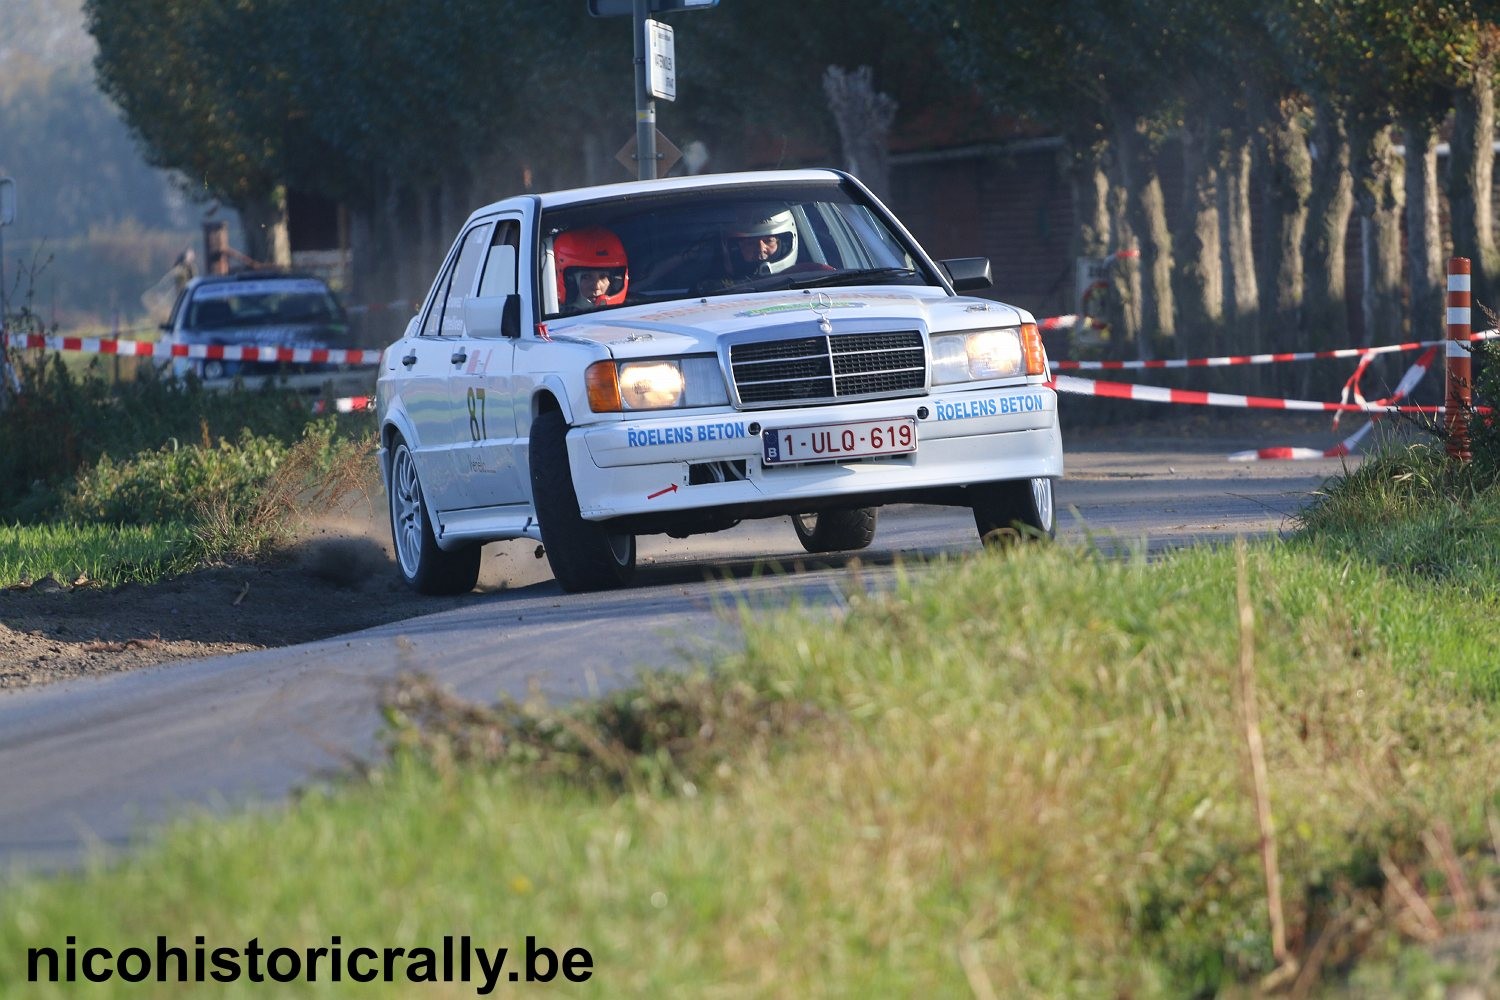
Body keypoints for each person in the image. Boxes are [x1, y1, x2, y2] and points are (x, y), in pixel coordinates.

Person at [554, 227, 629, 313]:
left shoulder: (633, 311)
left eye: (603, 276)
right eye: (586, 277)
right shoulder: (552, 318)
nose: (596, 287)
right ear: (570, 282)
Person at [722, 209, 798, 280]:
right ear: (736, 248)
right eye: (750, 243)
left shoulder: (804, 276)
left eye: (769, 241)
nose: (761, 249)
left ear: (784, 243)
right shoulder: (718, 289)